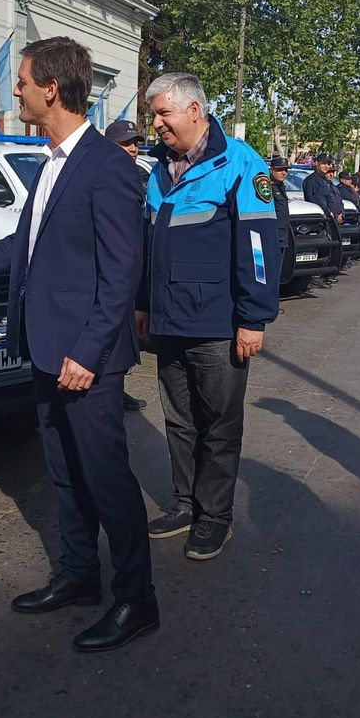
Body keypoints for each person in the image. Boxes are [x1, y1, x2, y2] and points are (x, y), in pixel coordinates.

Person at [0, 37, 157, 653]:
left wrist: (86, 352)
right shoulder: (50, 162)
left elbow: (121, 273)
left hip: (86, 360)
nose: (16, 92)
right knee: (64, 474)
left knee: (106, 478)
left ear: (51, 88)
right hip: (45, 349)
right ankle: (79, 575)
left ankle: (136, 599)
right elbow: (17, 251)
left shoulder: (108, 168)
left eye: (22, 81)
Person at [138, 72, 280, 561]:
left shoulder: (240, 164)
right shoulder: (158, 169)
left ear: (194, 111)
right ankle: (184, 503)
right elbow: (148, 246)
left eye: (162, 113)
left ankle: (214, 517)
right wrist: (142, 304)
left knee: (218, 424)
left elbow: (259, 247)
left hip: (218, 326)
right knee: (178, 421)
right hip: (168, 321)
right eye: (154, 113)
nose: (155, 123)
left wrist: (254, 319)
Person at [105, 118, 149, 413]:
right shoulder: (104, 174)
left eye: (135, 143)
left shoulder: (134, 174)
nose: (133, 148)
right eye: (126, 143)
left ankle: (117, 388)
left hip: (131, 267)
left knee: (124, 337)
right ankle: (113, 392)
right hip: (113, 272)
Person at [302, 153, 343, 287]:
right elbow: (313, 201)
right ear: (316, 163)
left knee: (329, 248)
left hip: (329, 220)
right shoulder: (311, 181)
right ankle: (315, 276)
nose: (326, 166)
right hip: (319, 220)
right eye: (323, 163)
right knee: (320, 248)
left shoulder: (325, 181)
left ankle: (324, 273)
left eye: (328, 164)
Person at [269, 156, 294, 284]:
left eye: (286, 170)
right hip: (273, 236)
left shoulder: (281, 187)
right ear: (271, 170)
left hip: (282, 236)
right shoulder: (268, 187)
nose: (284, 173)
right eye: (280, 170)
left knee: (278, 272)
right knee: (272, 273)